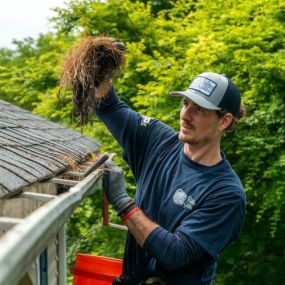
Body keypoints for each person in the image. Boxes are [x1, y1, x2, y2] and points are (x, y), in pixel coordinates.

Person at [98, 72, 246, 285]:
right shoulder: (157, 140)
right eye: (186, 104)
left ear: (224, 121)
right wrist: (100, 70)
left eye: (199, 110)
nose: (186, 115)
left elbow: (174, 254)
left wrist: (122, 201)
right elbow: (109, 107)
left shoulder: (226, 194)